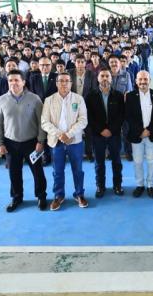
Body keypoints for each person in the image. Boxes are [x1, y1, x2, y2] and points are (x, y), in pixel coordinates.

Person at [0, 69, 47, 212]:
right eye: (10, 80)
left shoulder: (34, 99)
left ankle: (41, 196)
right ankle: (17, 197)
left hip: (31, 143)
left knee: (38, 172)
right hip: (11, 143)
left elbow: (42, 122)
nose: (13, 83)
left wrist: (41, 141)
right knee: (14, 172)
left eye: (17, 80)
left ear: (23, 82)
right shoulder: (2, 100)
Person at [40, 73, 89, 210]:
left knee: (78, 170)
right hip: (56, 141)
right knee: (57, 171)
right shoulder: (49, 100)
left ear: (71, 83)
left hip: (75, 141)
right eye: (61, 81)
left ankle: (79, 194)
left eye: (67, 81)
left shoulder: (78, 99)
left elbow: (83, 120)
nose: (64, 83)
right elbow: (44, 122)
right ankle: (58, 196)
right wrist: (60, 135)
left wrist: (69, 134)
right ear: (56, 83)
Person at [86, 67, 126, 197]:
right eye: (102, 76)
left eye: (107, 76)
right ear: (97, 79)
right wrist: (101, 130)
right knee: (99, 162)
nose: (104, 79)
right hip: (98, 135)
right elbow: (89, 117)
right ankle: (100, 186)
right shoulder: (90, 96)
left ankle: (117, 185)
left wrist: (111, 130)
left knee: (116, 161)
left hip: (114, 134)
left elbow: (121, 116)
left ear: (111, 78)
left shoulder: (118, 95)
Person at [125, 70, 153, 198]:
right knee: (138, 161)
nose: (143, 82)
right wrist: (140, 131)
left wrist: (149, 130)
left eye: (145, 79)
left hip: (151, 135)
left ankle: (151, 185)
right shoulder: (129, 96)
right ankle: (140, 185)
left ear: (149, 80)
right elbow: (128, 117)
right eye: (140, 79)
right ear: (136, 81)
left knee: (151, 161)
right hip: (137, 135)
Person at [69, 54, 98, 161]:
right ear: (75, 63)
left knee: (89, 131)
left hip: (87, 106)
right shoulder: (69, 73)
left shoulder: (92, 74)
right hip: (72, 106)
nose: (80, 64)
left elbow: (94, 90)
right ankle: (75, 154)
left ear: (85, 63)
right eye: (78, 62)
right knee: (73, 130)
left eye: (82, 62)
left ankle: (89, 153)